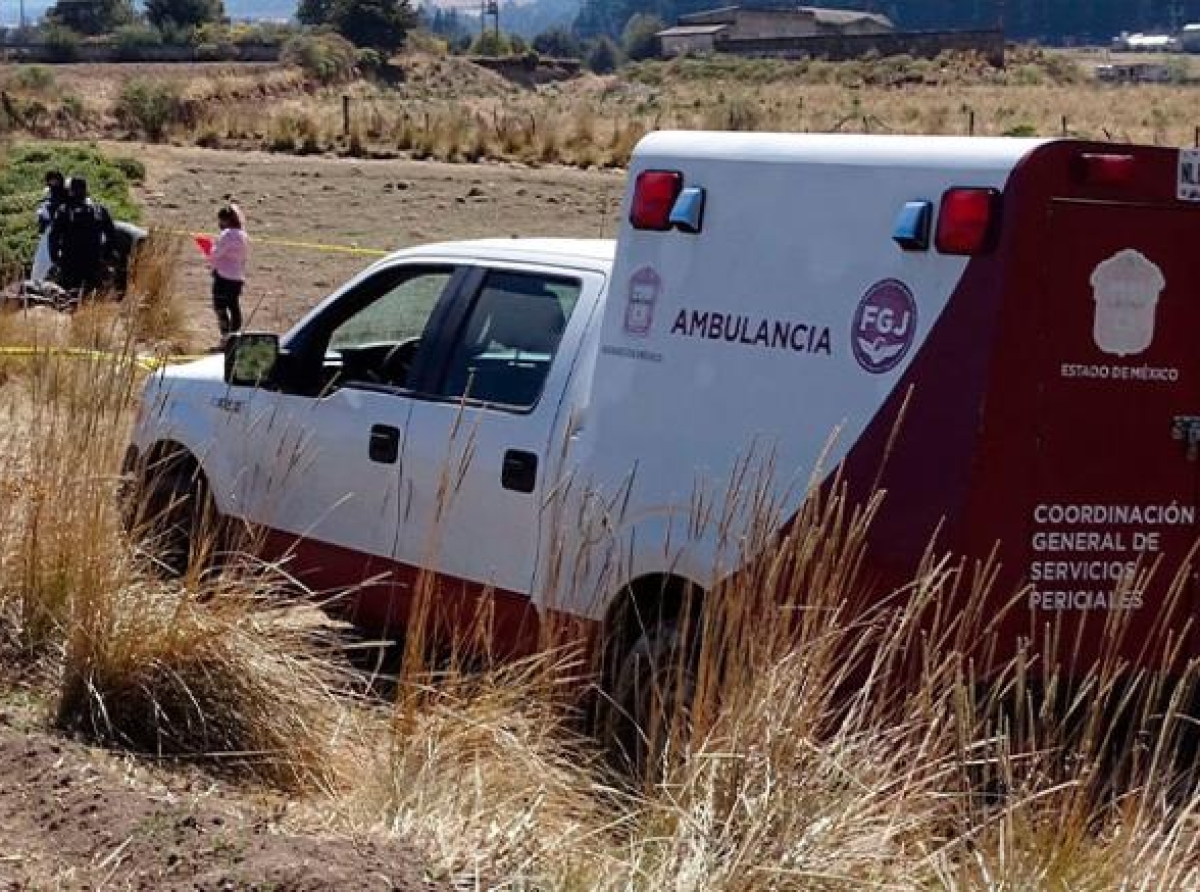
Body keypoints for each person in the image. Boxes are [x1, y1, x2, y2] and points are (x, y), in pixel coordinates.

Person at [49, 177, 118, 294]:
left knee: (68, 297)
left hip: (70, 262)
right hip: (93, 262)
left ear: (70, 191)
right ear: (86, 190)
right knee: (92, 296)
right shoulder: (99, 210)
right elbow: (112, 236)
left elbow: (53, 237)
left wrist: (56, 258)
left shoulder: (63, 210)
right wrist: (105, 256)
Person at [208, 202, 250, 340]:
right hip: (237, 277)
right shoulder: (243, 235)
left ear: (225, 220)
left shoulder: (226, 234)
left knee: (220, 307)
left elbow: (216, 253)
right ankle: (235, 337)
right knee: (234, 307)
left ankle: (225, 336)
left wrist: (210, 249)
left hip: (223, 276)